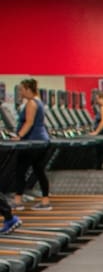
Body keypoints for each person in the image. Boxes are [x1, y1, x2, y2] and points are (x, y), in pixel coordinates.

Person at [10, 78, 52, 210]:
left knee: (20, 170)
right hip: (41, 141)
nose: (21, 92)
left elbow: (29, 122)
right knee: (39, 170)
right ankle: (45, 202)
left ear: (28, 89)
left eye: (22, 89)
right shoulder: (38, 102)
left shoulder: (31, 103)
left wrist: (19, 136)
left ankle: (17, 202)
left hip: (32, 142)